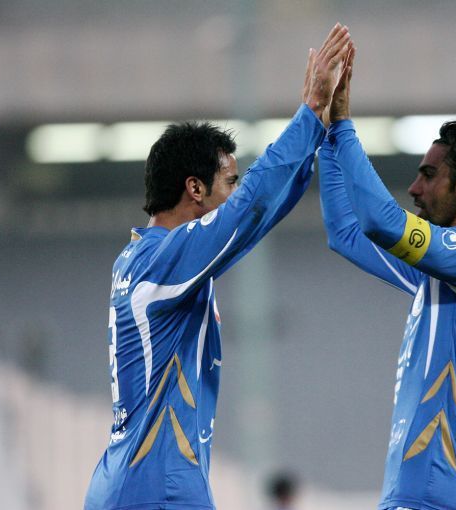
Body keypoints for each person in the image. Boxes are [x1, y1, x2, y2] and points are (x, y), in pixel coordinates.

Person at [84, 24, 353, 510]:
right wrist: (309, 112)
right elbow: (250, 208)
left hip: (132, 480)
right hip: (159, 485)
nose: (235, 192)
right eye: (229, 181)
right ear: (195, 188)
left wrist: (317, 131)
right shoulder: (164, 261)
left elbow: (255, 215)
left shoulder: (145, 257)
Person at [319, 48, 456, 510]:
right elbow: (345, 232)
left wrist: (344, 125)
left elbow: (380, 222)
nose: (414, 188)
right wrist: (327, 133)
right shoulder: (439, 272)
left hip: (437, 495)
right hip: (415, 494)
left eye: (429, 175)